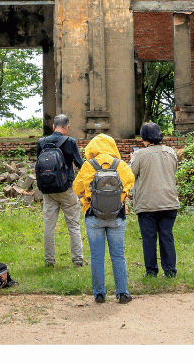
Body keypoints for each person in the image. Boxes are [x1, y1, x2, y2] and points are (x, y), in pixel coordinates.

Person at [72, 133, 135, 304]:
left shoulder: (88, 165)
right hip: (117, 216)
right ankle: (122, 293)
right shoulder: (120, 165)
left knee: (97, 256)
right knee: (118, 255)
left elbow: (76, 188)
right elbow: (130, 182)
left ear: (92, 147)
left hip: (93, 216)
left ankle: (99, 294)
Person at [130, 122, 180, 278]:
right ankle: (170, 270)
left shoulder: (140, 155)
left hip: (147, 203)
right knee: (167, 236)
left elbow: (131, 174)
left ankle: (151, 271)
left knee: (149, 238)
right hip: (169, 201)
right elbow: (174, 170)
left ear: (144, 138)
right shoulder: (171, 152)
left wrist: (132, 159)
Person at [36, 114, 85, 268]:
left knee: (49, 227)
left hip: (48, 191)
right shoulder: (70, 142)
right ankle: (78, 260)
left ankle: (49, 261)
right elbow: (80, 164)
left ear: (53, 127)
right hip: (66, 190)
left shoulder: (42, 142)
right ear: (67, 127)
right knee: (73, 226)